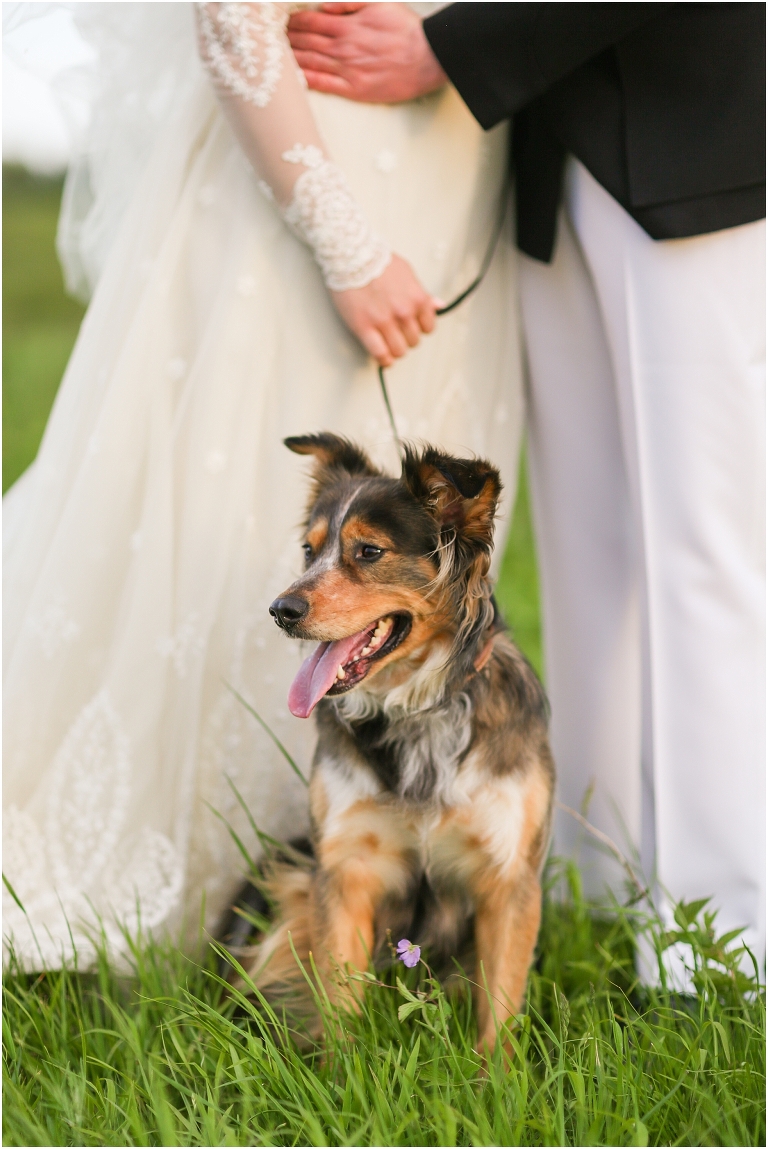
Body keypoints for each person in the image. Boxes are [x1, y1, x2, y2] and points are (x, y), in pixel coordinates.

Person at [2, 3, 525, 970]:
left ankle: (367, 885)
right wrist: (348, 246)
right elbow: (237, 18)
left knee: (409, 556)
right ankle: (220, 885)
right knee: (249, 516)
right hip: (312, 177)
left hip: (456, 180)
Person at [287, 1, 767, 980]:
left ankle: (719, 951)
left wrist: (446, 46)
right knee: (591, 562)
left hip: (696, 118)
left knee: (704, 557)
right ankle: (597, 883)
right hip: (553, 150)